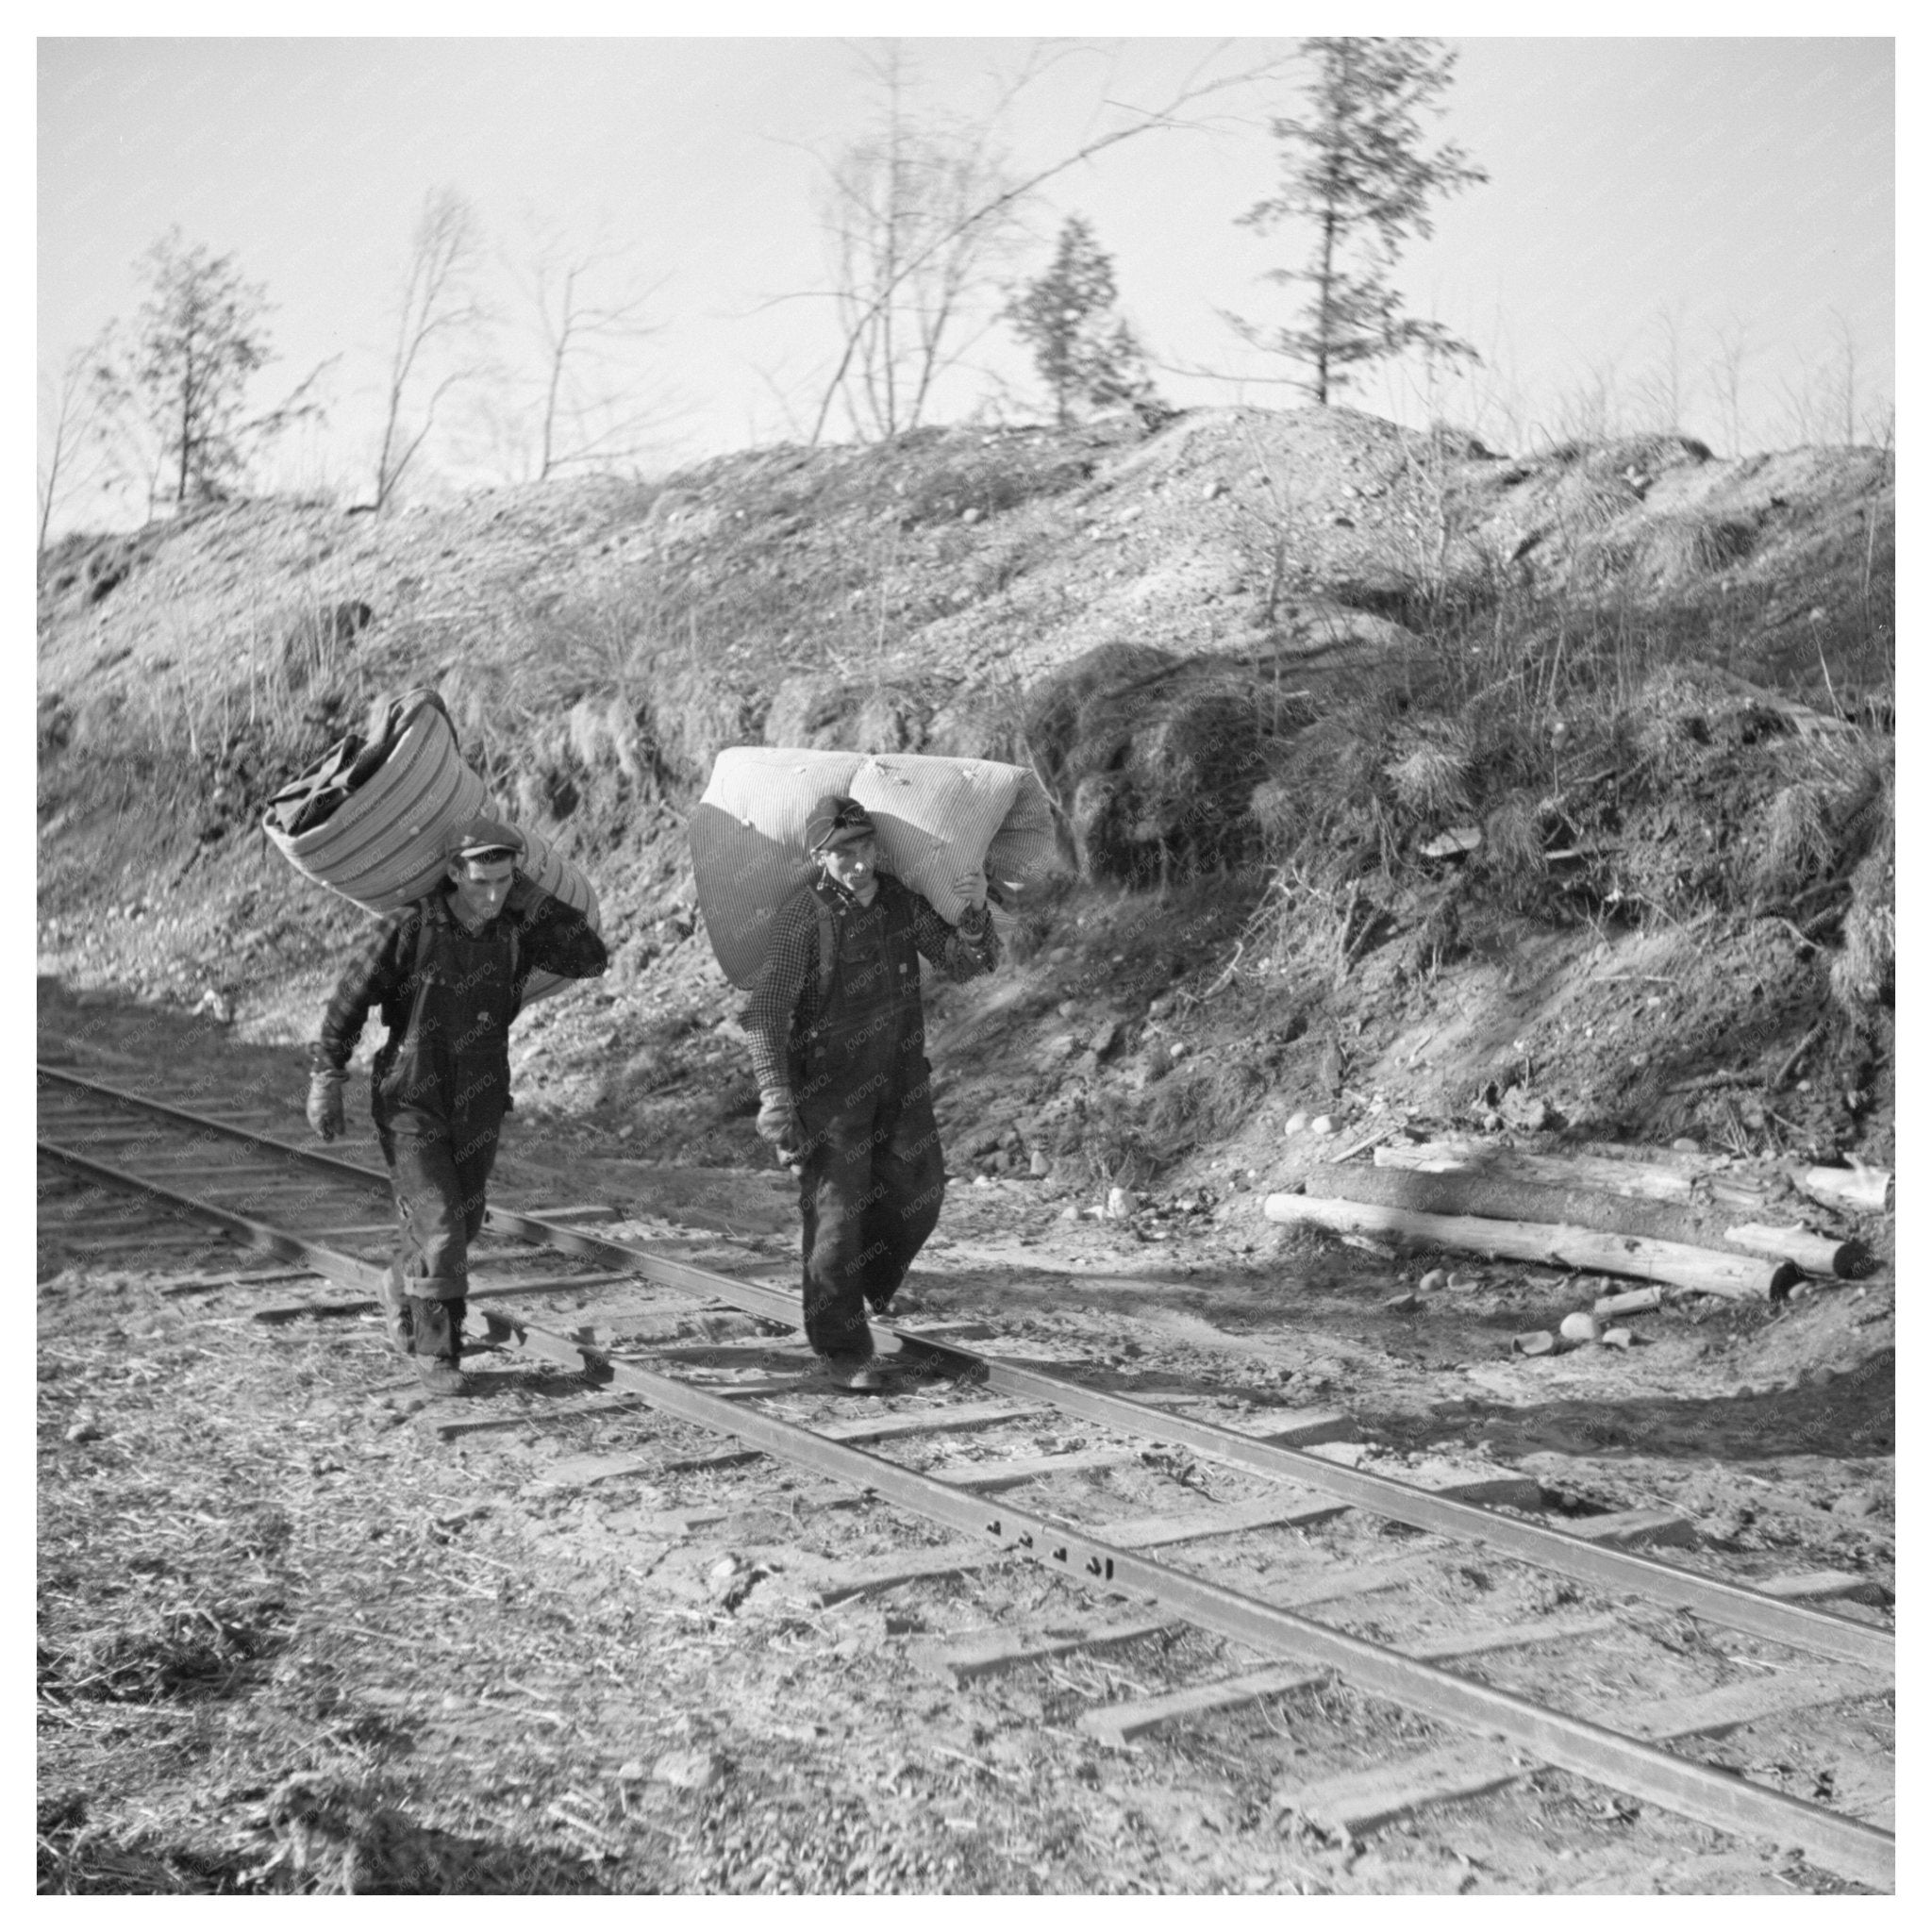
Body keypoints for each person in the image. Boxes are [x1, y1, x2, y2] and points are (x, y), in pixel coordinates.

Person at [306, 814, 608, 1394]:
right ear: (452, 873)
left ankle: (399, 1285)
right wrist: (327, 1073)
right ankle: (438, 1354)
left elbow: (590, 959)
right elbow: (350, 998)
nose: (492, 896)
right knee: (443, 1233)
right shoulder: (410, 927)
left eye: (503, 882)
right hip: (410, 1101)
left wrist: (532, 897)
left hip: (481, 1099)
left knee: (460, 1227)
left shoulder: (516, 927)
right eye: (480, 883)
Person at [744, 794, 1002, 1391]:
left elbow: (965, 964)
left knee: (921, 1193)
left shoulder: (898, 904)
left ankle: (867, 1290)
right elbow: (764, 1014)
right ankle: (841, 1349)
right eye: (840, 853)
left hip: (904, 1083)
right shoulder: (803, 919)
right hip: (831, 1097)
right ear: (820, 857)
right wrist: (775, 1095)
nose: (855, 863)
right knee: (837, 1221)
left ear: (875, 847)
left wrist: (974, 912)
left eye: (861, 848)